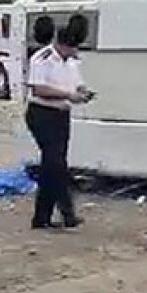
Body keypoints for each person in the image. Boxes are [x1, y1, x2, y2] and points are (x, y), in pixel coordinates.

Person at [25, 14, 92, 230]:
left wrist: (82, 92)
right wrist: (67, 95)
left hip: (61, 115)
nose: (76, 52)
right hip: (42, 113)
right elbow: (38, 89)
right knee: (56, 164)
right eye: (73, 48)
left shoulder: (71, 63)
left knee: (52, 165)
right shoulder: (42, 58)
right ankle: (67, 213)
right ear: (63, 45)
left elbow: (77, 84)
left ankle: (42, 217)